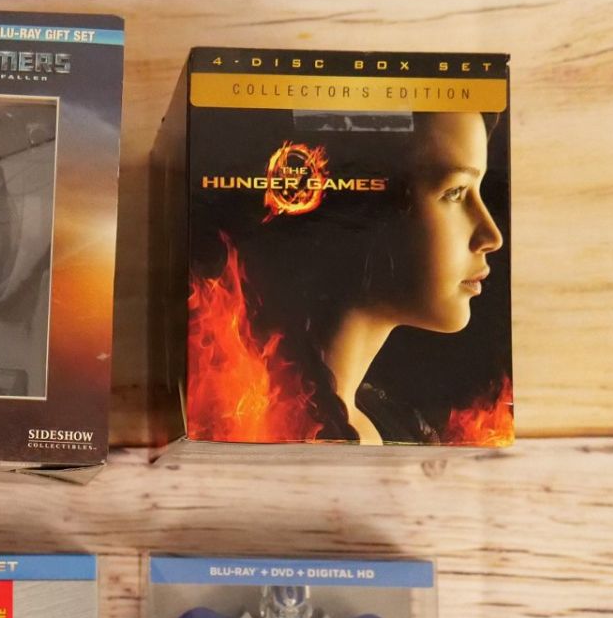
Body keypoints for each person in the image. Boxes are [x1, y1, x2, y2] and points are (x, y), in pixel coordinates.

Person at [215, 110, 504, 444]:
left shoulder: (389, 419)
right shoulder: (268, 427)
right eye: (455, 192)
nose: (492, 236)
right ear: (362, 205)